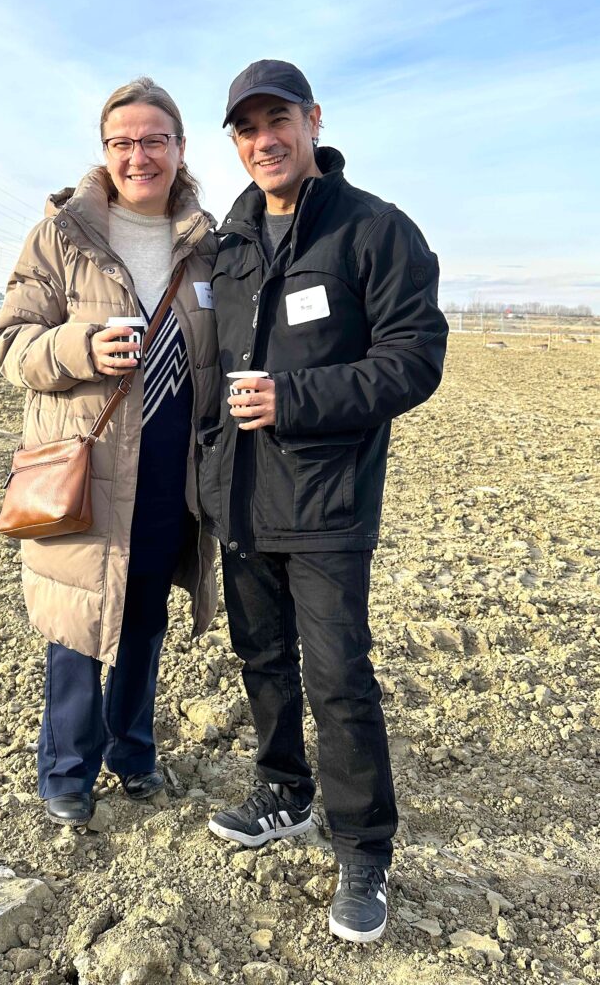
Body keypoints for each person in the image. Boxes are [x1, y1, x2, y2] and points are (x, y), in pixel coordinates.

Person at [198, 60, 448, 943]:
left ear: (312, 122)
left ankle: (363, 847)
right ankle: (283, 790)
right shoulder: (226, 243)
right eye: (245, 129)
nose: (262, 140)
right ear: (233, 143)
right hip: (239, 495)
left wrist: (295, 400)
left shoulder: (372, 231)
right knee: (261, 658)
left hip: (327, 497)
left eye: (277, 121)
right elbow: (205, 366)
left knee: (338, 677)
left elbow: (413, 358)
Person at [0, 77, 220, 828]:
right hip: (86, 464)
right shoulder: (63, 235)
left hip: (168, 469)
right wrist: (80, 345)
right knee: (78, 620)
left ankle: (134, 753)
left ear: (180, 149)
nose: (138, 155)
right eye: (122, 142)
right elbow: (10, 344)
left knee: (144, 617)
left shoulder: (207, 245)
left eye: (154, 140)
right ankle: (66, 769)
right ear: (104, 151)